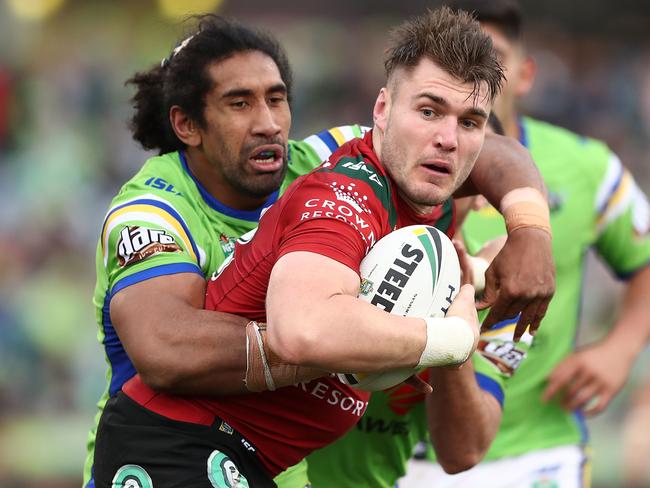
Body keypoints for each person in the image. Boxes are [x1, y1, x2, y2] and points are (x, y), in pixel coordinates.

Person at [84, 10, 555, 488]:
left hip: (270, 465)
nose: (268, 123)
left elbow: (500, 153)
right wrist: (416, 334)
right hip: (174, 452)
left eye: (277, 99)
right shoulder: (156, 210)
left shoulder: (341, 161)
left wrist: (531, 231)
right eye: (239, 103)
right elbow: (171, 349)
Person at [398, 1, 650, 486]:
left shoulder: (587, 168)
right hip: (399, 453)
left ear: (527, 73)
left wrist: (619, 348)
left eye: (492, 59)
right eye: (456, 62)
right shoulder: (392, 167)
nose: (475, 75)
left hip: (536, 452)